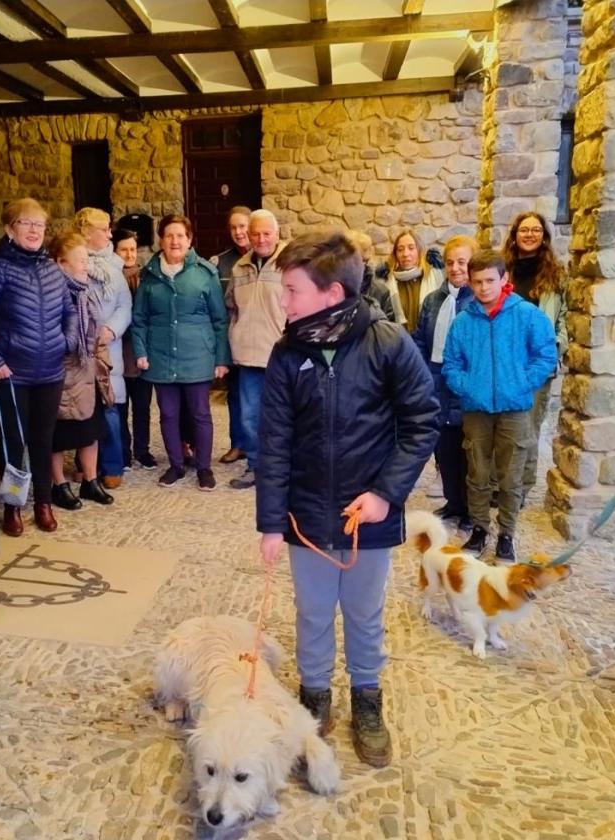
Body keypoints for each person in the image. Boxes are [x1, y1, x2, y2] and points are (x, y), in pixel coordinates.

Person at [257, 231, 439, 768]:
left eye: (291, 290)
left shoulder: (387, 343)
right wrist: (272, 522)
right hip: (306, 513)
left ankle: (367, 697)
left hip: (369, 516)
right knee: (312, 612)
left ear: (331, 293)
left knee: (363, 613)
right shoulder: (288, 353)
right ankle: (314, 695)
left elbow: (422, 421)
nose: (284, 302)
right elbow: (274, 441)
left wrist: (386, 494)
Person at [0, 197, 77, 536]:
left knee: (43, 441)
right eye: (25, 223)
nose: (33, 230)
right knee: (13, 444)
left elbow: (70, 312)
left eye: (38, 224)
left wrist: (66, 343)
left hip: (50, 373)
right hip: (11, 375)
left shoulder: (52, 269)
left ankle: (43, 503)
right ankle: (13, 506)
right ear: (9, 229)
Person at [442, 250, 557, 563]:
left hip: (515, 408)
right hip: (476, 410)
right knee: (477, 473)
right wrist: (468, 387)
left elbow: (546, 355)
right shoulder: (464, 322)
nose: (483, 288)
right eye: (477, 281)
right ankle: (479, 529)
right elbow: (451, 363)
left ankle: (506, 533)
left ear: (504, 279)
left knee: (511, 475)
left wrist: (521, 383)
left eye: (490, 280)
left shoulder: (528, 316)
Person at [131, 214, 230, 491]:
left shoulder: (204, 273)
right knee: (168, 414)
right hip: (160, 357)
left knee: (200, 413)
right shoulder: (149, 275)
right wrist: (140, 351)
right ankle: (175, 465)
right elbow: (139, 319)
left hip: (197, 356)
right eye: (169, 235)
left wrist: (221, 358)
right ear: (161, 240)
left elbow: (219, 320)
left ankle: (204, 468)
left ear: (189, 240)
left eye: (180, 236)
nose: (175, 241)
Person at [412, 235, 478, 531]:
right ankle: (453, 502)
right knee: (444, 447)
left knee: (467, 450)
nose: (455, 268)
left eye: (462, 262)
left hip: (464, 382)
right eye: (450, 262)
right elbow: (420, 338)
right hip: (435, 379)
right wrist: (423, 371)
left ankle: (469, 508)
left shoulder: (477, 302)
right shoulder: (432, 300)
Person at [503, 211, 567, 508]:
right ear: (515, 235)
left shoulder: (556, 274)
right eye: (524, 230)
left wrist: (557, 345)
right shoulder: (503, 269)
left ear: (544, 236)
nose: (529, 234)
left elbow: (565, 315)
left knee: (528, 426)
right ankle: (500, 484)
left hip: (537, 361)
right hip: (504, 359)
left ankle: (520, 487)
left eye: (536, 230)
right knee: (501, 423)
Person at [48, 232, 115, 510]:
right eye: (80, 260)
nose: (86, 265)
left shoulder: (87, 290)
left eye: (87, 259)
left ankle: (90, 481)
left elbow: (95, 329)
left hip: (87, 371)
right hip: (63, 371)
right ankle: (59, 485)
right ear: (61, 263)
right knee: (59, 434)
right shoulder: (52, 293)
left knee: (91, 428)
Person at [225, 209, 287, 490]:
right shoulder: (239, 268)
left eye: (266, 233)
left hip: (282, 355)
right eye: (256, 234)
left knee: (284, 417)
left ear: (277, 234)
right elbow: (231, 307)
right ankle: (255, 467)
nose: (261, 239)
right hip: (249, 355)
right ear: (249, 236)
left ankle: (284, 470)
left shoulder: (291, 264)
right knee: (250, 417)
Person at [76, 207, 133, 490]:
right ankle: (87, 466)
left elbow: (124, 304)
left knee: (109, 407)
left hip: (107, 347)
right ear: (87, 232)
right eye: (104, 229)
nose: (110, 234)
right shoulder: (71, 262)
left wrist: (110, 329)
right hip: (78, 347)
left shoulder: (113, 267)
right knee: (81, 406)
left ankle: (112, 465)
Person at [210, 205, 252, 465]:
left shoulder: (269, 258)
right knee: (236, 394)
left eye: (243, 226)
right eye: (234, 227)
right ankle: (239, 444)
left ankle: (263, 449)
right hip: (234, 338)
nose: (239, 232)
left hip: (261, 339)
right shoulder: (220, 262)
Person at [114, 227, 158, 471]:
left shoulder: (146, 276)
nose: (129, 254)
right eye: (124, 249)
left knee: (142, 406)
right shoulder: (111, 277)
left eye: (132, 249)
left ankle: (143, 450)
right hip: (119, 351)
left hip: (140, 351)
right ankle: (123, 451)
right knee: (120, 406)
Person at [383, 228, 444, 332]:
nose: (405, 254)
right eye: (400, 249)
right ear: (396, 254)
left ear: (419, 250)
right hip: (399, 343)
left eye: (411, 248)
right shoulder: (388, 281)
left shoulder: (433, 276)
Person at [348, 229, 399, 323]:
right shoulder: (331, 288)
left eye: (355, 260)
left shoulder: (380, 291)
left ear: (365, 261)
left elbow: (388, 330)